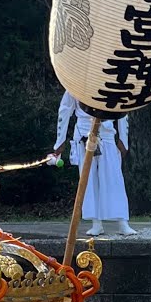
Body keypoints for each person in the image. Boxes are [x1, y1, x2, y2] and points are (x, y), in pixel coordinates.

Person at [52, 92, 134, 236]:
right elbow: (65, 109)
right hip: (84, 133)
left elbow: (122, 107)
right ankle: (96, 223)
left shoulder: (109, 79)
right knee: (88, 180)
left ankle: (122, 222)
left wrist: (123, 138)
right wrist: (60, 141)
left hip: (107, 132)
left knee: (114, 179)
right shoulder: (74, 82)